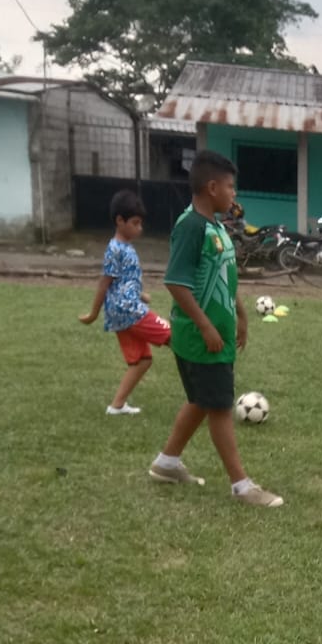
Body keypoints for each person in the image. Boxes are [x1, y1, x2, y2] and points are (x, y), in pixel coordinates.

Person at [147, 150, 283, 508]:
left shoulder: (217, 227)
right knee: (220, 407)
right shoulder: (191, 227)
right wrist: (206, 326)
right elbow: (175, 282)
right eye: (230, 187)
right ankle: (242, 486)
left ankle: (166, 463)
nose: (233, 194)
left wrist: (242, 315)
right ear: (212, 188)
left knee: (201, 400)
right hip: (201, 340)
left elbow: (226, 276)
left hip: (217, 335)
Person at [79, 189, 171, 416]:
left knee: (142, 360)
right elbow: (105, 283)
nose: (140, 228)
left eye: (141, 223)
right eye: (135, 223)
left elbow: (123, 281)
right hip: (128, 310)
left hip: (124, 311)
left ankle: (116, 406)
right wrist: (93, 313)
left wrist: (141, 294)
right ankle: (201, 394)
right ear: (120, 221)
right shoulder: (114, 249)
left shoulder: (126, 247)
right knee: (175, 336)